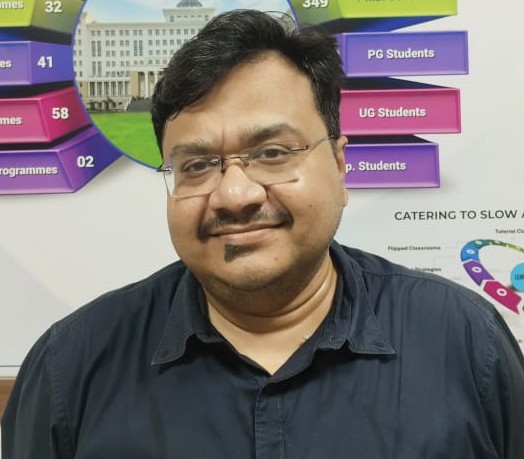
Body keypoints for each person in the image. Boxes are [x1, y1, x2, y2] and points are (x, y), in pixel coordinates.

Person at [3, 9, 524, 459]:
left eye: (272, 153)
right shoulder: (71, 368)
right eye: (197, 165)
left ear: (339, 163)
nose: (235, 195)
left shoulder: (464, 341)